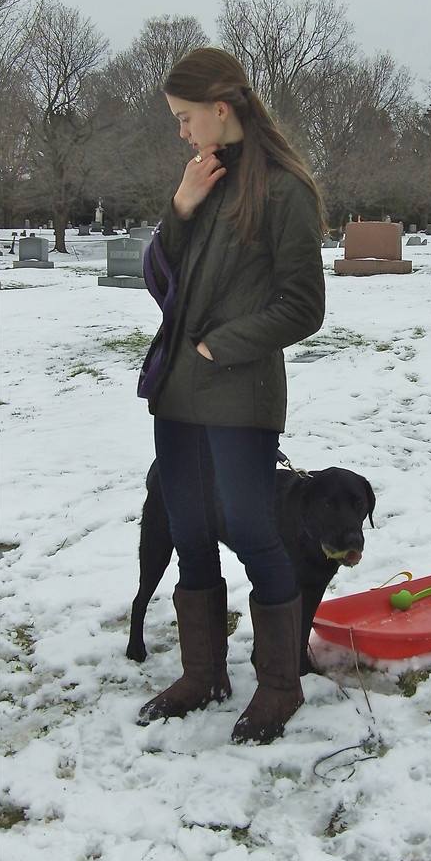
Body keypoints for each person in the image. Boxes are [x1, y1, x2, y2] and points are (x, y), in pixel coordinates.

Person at [136, 47, 326, 744]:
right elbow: (165, 273)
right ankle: (202, 674)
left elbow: (304, 305)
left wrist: (223, 344)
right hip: (177, 392)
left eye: (186, 118)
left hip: (239, 394)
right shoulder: (202, 179)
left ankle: (280, 685)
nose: (183, 133)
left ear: (222, 109)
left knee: (249, 531)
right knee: (189, 532)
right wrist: (180, 206)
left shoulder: (283, 190)